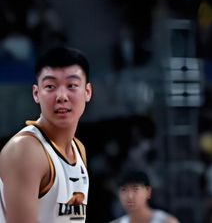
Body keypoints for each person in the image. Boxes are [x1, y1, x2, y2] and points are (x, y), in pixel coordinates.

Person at [0, 46, 93, 222]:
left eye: (72, 86)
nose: (62, 96)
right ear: (36, 93)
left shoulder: (78, 149)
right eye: (50, 86)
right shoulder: (25, 150)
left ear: (87, 92)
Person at [109, 170, 179, 223]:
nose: (130, 196)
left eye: (135, 189)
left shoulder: (166, 221)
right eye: (124, 190)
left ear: (148, 192)